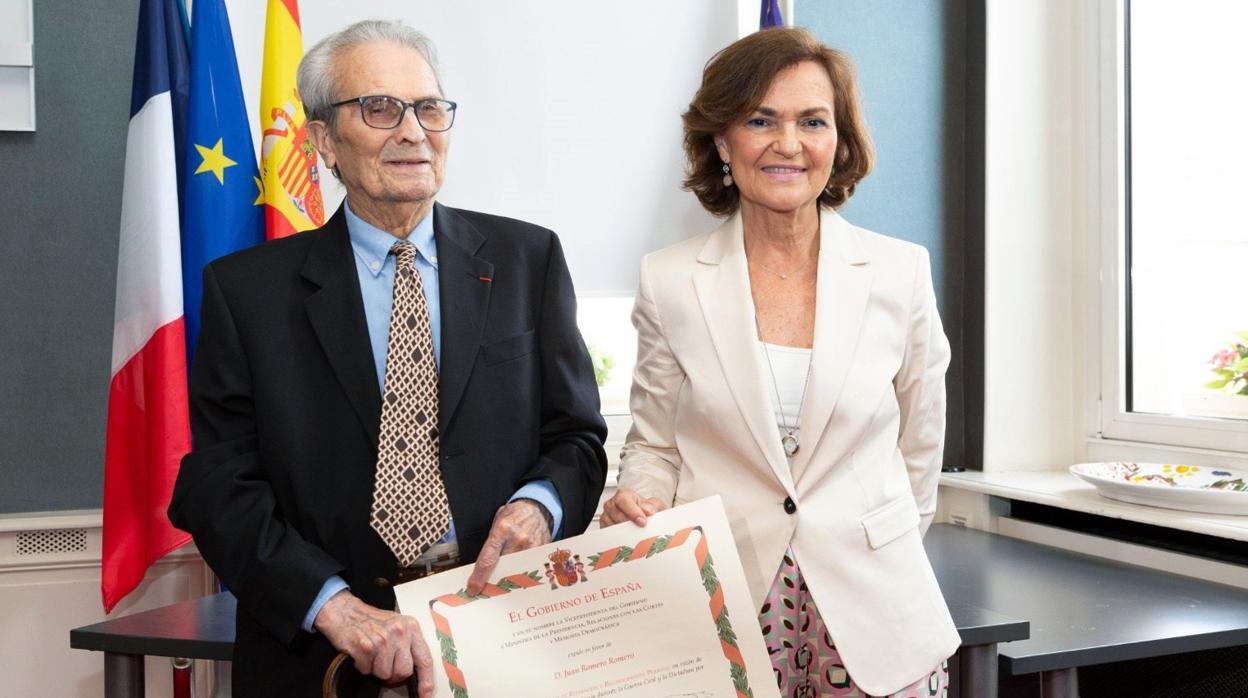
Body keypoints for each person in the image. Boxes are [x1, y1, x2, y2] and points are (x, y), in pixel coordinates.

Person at [169, 19, 607, 698]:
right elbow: (220, 486)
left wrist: (538, 506)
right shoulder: (246, 292)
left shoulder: (528, 261)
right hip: (320, 662)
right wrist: (334, 607)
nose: (413, 130)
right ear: (323, 141)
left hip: (505, 645)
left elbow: (576, 438)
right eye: (380, 108)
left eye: (429, 108)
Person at [600, 27, 957, 697]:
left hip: (876, 610)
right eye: (760, 120)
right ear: (721, 141)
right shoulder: (670, 280)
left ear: (839, 143)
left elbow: (921, 445)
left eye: (812, 122)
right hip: (720, 604)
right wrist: (640, 495)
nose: (788, 144)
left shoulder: (900, 272)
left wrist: (874, 540)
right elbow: (654, 444)